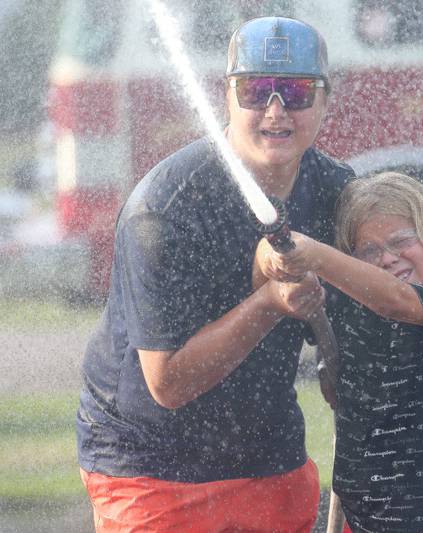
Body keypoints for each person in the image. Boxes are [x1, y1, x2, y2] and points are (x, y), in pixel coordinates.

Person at [76, 16, 354, 532]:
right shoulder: (163, 212)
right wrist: (269, 302)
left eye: (295, 90)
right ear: (226, 97)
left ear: (325, 101)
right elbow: (169, 384)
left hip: (266, 448)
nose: (276, 110)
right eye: (255, 91)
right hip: (150, 460)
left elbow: (372, 317)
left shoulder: (337, 191)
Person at [270, 172, 423, 532]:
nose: (388, 258)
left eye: (401, 241)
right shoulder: (348, 312)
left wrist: (314, 255)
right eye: (369, 251)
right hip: (367, 521)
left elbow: (396, 300)